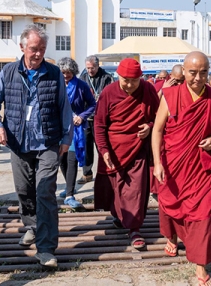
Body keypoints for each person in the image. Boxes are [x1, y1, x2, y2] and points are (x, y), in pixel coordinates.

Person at [0, 24, 73, 267]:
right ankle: (31, 225)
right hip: (18, 143)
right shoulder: (9, 72)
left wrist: (66, 139)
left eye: (42, 49)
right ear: (22, 47)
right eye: (34, 48)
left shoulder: (54, 73)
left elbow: (65, 108)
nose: (38, 54)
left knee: (45, 191)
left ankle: (46, 249)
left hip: (48, 144)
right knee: (24, 191)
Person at [152, 51, 211, 286]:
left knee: (204, 214)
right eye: (193, 73)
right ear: (183, 71)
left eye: (203, 72)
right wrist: (157, 162)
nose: (198, 78)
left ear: (209, 72)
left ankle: (200, 266)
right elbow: (157, 130)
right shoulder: (170, 94)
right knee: (172, 205)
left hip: (202, 168)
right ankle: (173, 237)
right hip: (175, 163)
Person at [93, 58, 159, 249]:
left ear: (141, 78)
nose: (129, 85)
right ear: (118, 77)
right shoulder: (109, 92)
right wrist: (103, 150)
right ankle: (120, 216)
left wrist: (149, 126)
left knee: (135, 190)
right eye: (125, 80)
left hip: (138, 148)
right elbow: (99, 124)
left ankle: (134, 229)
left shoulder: (148, 90)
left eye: (134, 80)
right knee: (116, 188)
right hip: (113, 150)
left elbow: (159, 118)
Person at [57, 57, 96, 208]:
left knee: (71, 160)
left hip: (76, 128)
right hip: (60, 127)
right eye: (63, 72)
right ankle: (68, 186)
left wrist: (82, 116)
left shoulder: (81, 86)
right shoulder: (56, 85)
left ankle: (69, 194)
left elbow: (93, 104)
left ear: (74, 71)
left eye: (68, 72)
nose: (66, 75)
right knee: (61, 159)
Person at [79, 55, 114, 183]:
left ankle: (104, 172)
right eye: (87, 68)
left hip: (102, 119)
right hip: (86, 119)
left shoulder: (107, 78)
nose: (90, 71)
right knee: (86, 147)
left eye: (92, 68)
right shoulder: (82, 78)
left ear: (98, 66)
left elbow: (111, 95)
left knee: (102, 147)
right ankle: (87, 173)